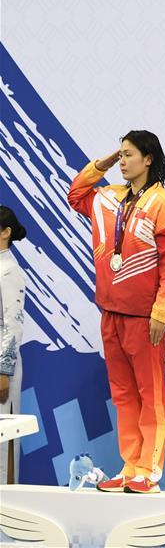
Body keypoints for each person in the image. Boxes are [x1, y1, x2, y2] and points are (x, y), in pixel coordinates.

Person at [68, 130, 165, 494]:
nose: (121, 161)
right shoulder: (107, 199)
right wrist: (100, 163)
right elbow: (76, 195)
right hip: (110, 313)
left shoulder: (164, 203)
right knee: (122, 394)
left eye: (128, 154)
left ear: (148, 158)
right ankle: (130, 464)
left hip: (143, 317)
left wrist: (162, 312)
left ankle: (148, 470)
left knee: (150, 394)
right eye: (119, 154)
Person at [0, 205, 27, 484]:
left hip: (1, 369)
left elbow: (13, 323)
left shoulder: (10, 272)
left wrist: (4, 371)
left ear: (6, 233)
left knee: (3, 444)